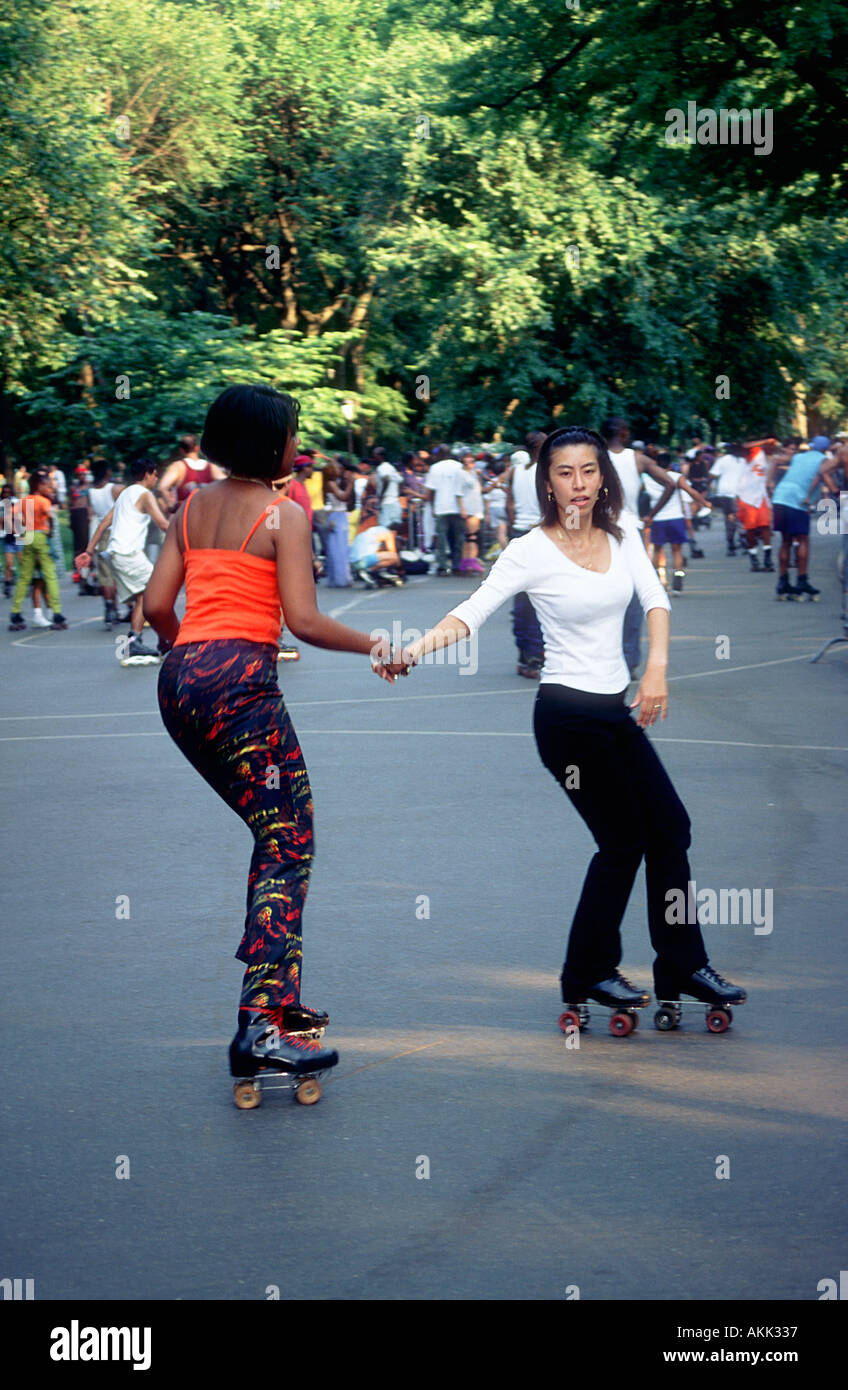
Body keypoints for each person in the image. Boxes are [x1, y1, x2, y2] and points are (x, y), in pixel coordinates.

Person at [400, 424, 746, 1023]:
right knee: (622, 842)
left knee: (671, 830)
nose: (579, 483)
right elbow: (471, 613)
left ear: (603, 476)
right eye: (565, 472)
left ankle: (683, 965)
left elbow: (655, 599)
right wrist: (410, 650)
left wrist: (655, 671)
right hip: (566, 721)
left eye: (589, 470)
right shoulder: (529, 550)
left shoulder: (623, 532)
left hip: (615, 712)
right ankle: (587, 972)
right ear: (548, 482)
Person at [141, 383, 403, 1095]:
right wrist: (376, 643)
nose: (299, 445)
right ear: (268, 444)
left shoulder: (191, 508)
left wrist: (194, 651)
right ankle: (260, 1022)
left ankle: (279, 997)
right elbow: (308, 621)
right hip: (240, 689)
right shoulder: (282, 515)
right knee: (288, 844)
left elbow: (157, 605)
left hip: (180, 682)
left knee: (272, 836)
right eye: (291, 434)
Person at [75, 458, 170, 664]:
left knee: (144, 597)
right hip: (128, 554)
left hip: (116, 555)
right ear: (147, 474)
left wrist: (88, 552)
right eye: (155, 474)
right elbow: (163, 524)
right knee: (156, 592)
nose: (157, 478)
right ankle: (161, 640)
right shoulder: (145, 495)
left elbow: (103, 525)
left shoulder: (125, 493)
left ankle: (140, 641)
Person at [602, 419, 675, 677]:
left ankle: (603, 656)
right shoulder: (639, 459)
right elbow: (670, 483)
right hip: (629, 527)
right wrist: (651, 514)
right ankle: (629, 659)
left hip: (599, 528)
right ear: (624, 433)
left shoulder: (595, 456)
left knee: (601, 593)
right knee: (632, 594)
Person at [770, 435, 838, 601]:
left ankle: (783, 582)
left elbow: (775, 461)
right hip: (797, 499)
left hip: (780, 496)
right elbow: (819, 476)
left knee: (786, 541)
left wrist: (769, 482)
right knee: (803, 540)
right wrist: (809, 497)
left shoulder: (798, 456)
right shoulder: (824, 460)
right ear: (826, 448)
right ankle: (802, 581)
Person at [8, 468, 68, 631]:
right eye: (46, 485)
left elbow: (11, 515)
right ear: (38, 485)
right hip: (41, 535)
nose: (48, 487)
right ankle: (56, 612)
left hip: (26, 536)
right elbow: (50, 516)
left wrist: (16, 531)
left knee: (25, 576)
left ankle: (16, 611)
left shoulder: (24, 501)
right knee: (49, 575)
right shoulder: (43, 501)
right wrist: (51, 530)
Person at [506, 444, 546, 678]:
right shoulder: (547, 470)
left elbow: (509, 502)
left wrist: (514, 523)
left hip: (520, 532)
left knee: (523, 597)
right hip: (540, 534)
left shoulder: (516, 471)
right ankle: (534, 653)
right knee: (541, 597)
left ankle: (526, 653)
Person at [87, 464, 124, 628]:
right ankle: (130, 606)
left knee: (105, 576)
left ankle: (110, 608)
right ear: (108, 471)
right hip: (117, 532)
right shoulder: (114, 489)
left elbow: (91, 515)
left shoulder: (91, 492)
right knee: (120, 573)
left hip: (101, 534)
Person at [157, 434, 227, 513]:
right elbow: (229, 485)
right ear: (197, 448)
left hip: (185, 514)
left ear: (181, 450)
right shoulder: (211, 467)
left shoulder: (177, 467)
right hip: (207, 513)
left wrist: (171, 506)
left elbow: (162, 487)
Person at [736, 439, 776, 572]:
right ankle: (753, 558)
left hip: (761, 496)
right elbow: (744, 445)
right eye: (771, 445)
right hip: (747, 498)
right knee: (750, 530)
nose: (774, 448)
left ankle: (767, 559)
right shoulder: (756, 452)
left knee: (765, 527)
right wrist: (765, 440)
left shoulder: (771, 458)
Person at [425, 451, 465, 575]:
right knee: (457, 538)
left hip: (441, 507)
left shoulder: (435, 468)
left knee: (441, 538)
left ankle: (442, 566)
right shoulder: (459, 467)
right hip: (457, 508)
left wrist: (432, 507)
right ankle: (456, 565)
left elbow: (431, 491)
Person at [321, 461, 353, 586]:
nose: (339, 469)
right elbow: (343, 497)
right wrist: (350, 484)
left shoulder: (331, 483)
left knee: (337, 547)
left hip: (337, 515)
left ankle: (339, 577)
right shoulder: (331, 483)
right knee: (339, 548)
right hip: (338, 515)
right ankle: (341, 578)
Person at [709, 445, 744, 555]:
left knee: (729, 517)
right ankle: (744, 538)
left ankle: (731, 543)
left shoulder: (723, 460)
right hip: (739, 492)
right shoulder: (743, 461)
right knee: (739, 517)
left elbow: (713, 474)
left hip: (724, 492)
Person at [458, 450, 485, 573]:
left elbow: (480, 489)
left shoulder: (474, 473)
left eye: (472, 461)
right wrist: (462, 508)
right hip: (469, 507)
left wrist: (479, 476)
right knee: (471, 536)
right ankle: (471, 561)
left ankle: (467, 561)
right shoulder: (461, 474)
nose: (470, 463)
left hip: (477, 506)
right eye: (467, 460)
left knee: (472, 535)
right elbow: (458, 493)